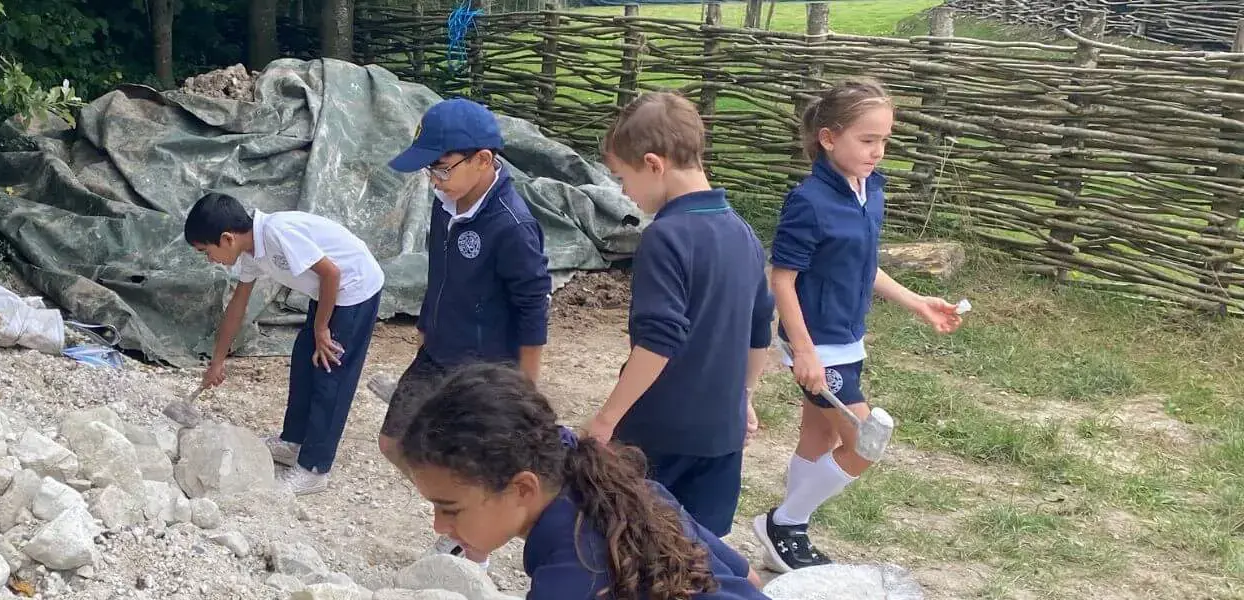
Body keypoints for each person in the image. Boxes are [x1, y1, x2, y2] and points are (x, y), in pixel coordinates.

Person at [751, 79, 964, 572]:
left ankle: (782, 540)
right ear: (829, 138)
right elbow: (782, 280)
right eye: (867, 140)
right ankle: (785, 524)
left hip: (849, 339)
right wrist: (802, 351)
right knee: (868, 439)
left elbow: (863, 265)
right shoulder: (808, 201)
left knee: (818, 438)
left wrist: (917, 303)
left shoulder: (871, 190)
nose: (878, 151)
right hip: (818, 344)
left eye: (885, 140)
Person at [401, 364, 769, 600]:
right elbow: (747, 578)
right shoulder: (633, 494)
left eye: (449, 508)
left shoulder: (572, 575)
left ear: (523, 488)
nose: (439, 525)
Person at [581, 91, 774, 538]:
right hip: (721, 436)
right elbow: (759, 328)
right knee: (701, 551)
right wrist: (744, 398)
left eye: (622, 178)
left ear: (653, 164)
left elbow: (657, 341)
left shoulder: (665, 238)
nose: (624, 192)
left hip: (659, 435)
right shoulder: (743, 233)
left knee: (637, 547)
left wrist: (607, 419)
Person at [383, 98, 554, 564]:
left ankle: (471, 536)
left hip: (480, 366)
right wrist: (426, 321)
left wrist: (527, 384)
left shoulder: (513, 225)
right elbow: (441, 271)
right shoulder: (446, 204)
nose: (432, 180)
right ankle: (460, 514)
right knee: (395, 441)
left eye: (439, 169)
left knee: (475, 462)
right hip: (437, 348)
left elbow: (533, 306)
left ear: (483, 159)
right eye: (428, 171)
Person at [188, 193, 386, 495]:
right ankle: (293, 442)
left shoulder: (277, 233)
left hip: (354, 287)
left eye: (207, 252)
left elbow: (332, 272)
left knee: (330, 374)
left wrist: (322, 328)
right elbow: (237, 306)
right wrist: (217, 361)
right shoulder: (250, 251)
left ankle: (315, 468)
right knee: (305, 360)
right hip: (327, 292)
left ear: (227, 238)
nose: (210, 260)